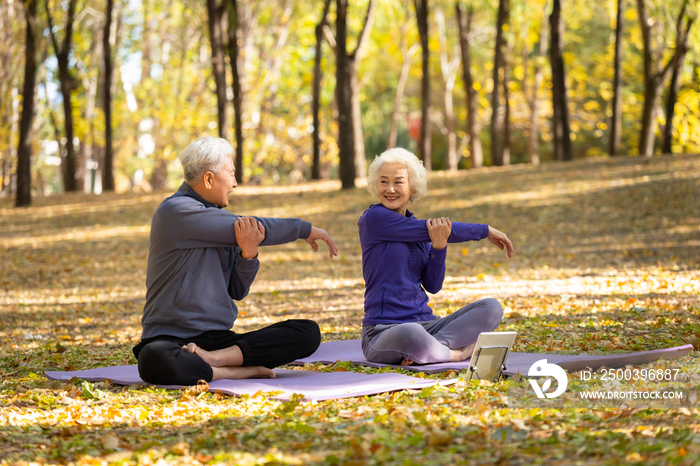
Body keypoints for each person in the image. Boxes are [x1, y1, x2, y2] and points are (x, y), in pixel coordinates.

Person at [134, 137, 338, 386]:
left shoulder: (221, 223)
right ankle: (232, 371)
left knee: (307, 333)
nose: (235, 183)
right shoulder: (175, 211)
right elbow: (256, 226)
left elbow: (236, 290)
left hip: (220, 340)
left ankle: (214, 360)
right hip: (172, 339)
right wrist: (303, 230)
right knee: (154, 359)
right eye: (230, 174)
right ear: (209, 179)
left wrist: (248, 255)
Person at [358, 148, 514, 366]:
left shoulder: (421, 231)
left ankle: (427, 350)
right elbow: (447, 228)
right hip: (383, 331)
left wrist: (439, 247)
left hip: (427, 325)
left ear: (413, 187)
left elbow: (433, 285)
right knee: (410, 333)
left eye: (398, 182)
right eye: (384, 182)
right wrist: (485, 230)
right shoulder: (374, 219)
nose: (390, 189)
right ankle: (455, 354)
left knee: (491, 308)